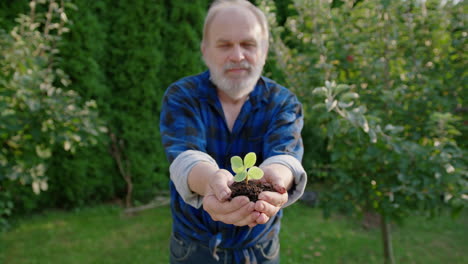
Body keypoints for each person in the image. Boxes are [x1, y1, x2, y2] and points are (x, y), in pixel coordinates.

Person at [160, 0, 307, 263]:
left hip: (258, 249)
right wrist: (211, 184)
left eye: (248, 44)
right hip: (193, 249)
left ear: (264, 50)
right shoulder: (183, 96)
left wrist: (275, 182)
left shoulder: (283, 102)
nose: (237, 55)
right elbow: (185, 156)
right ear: (205, 51)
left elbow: (286, 156)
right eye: (225, 44)